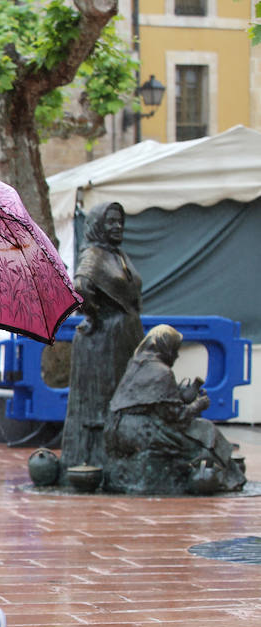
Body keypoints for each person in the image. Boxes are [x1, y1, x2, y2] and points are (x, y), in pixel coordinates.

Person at [105, 324, 246, 493]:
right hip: (143, 432)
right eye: (175, 349)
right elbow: (175, 416)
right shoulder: (162, 372)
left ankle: (230, 475)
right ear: (166, 347)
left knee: (201, 430)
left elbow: (153, 402)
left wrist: (178, 394)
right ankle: (229, 478)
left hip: (118, 429)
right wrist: (197, 405)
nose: (177, 355)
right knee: (206, 430)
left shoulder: (136, 365)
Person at [61, 201, 142, 479]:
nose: (117, 226)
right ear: (98, 225)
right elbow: (81, 286)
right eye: (110, 221)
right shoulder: (94, 254)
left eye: (120, 220)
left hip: (125, 338)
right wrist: (95, 314)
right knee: (103, 402)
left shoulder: (117, 254)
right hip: (104, 339)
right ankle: (98, 459)